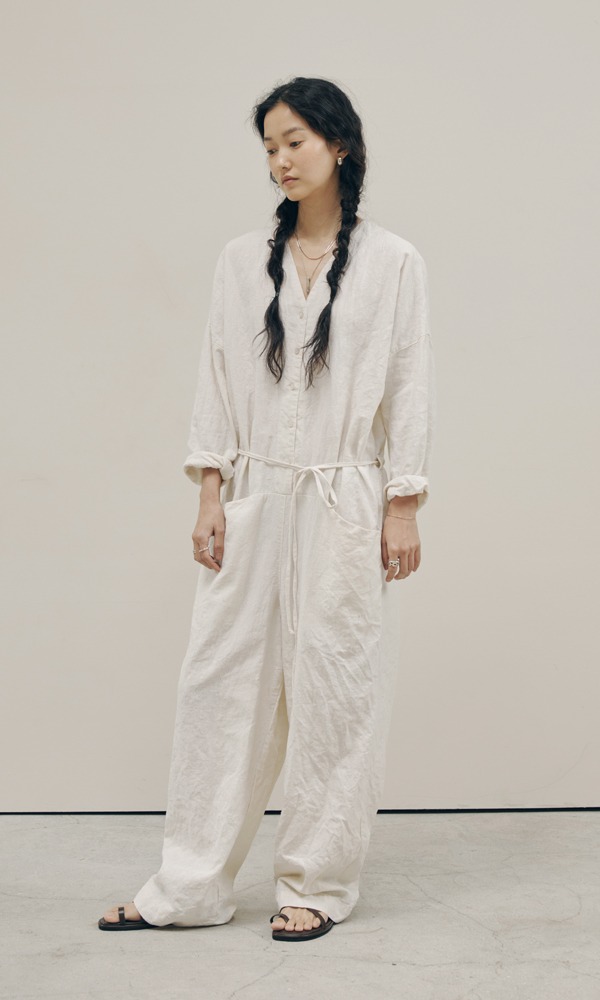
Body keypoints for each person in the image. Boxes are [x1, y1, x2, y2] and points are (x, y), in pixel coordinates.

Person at [98, 75, 436, 941]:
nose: (280, 159)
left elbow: (408, 386)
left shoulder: (395, 262)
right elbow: (216, 376)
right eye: (270, 146)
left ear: (339, 145)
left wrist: (403, 502)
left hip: (346, 500)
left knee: (336, 688)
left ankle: (316, 884)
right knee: (220, 686)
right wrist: (210, 491)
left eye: (295, 141)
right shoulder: (241, 259)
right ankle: (189, 886)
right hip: (253, 494)